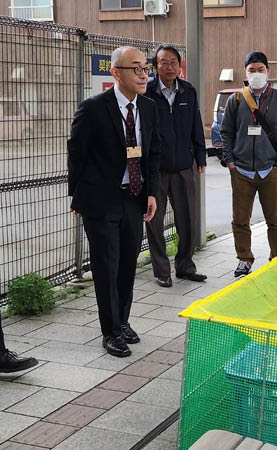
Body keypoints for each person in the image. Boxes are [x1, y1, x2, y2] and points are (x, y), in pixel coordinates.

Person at [68, 46, 161, 357]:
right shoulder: (94, 108)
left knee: (126, 265)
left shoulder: (148, 108)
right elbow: (76, 154)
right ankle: (110, 332)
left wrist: (151, 192)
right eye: (135, 68)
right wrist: (77, 196)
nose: (143, 73)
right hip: (101, 200)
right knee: (106, 267)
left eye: (145, 68)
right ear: (115, 72)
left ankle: (122, 321)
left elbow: (153, 154)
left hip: (133, 198)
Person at [220, 51, 277, 277]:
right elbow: (226, 132)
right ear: (245, 72)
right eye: (251, 70)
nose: (256, 74)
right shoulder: (235, 100)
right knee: (240, 219)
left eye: (260, 70)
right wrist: (231, 162)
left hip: (270, 170)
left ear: (268, 71)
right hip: (241, 170)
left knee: (275, 219)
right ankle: (244, 258)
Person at [145, 45, 207, 288]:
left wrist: (200, 156)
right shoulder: (147, 91)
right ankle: (162, 271)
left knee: (187, 220)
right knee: (155, 223)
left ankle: (185, 266)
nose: (169, 67)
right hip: (155, 169)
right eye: (163, 62)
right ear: (155, 66)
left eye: (173, 62)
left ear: (180, 65)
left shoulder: (188, 91)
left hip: (183, 166)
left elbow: (196, 125)